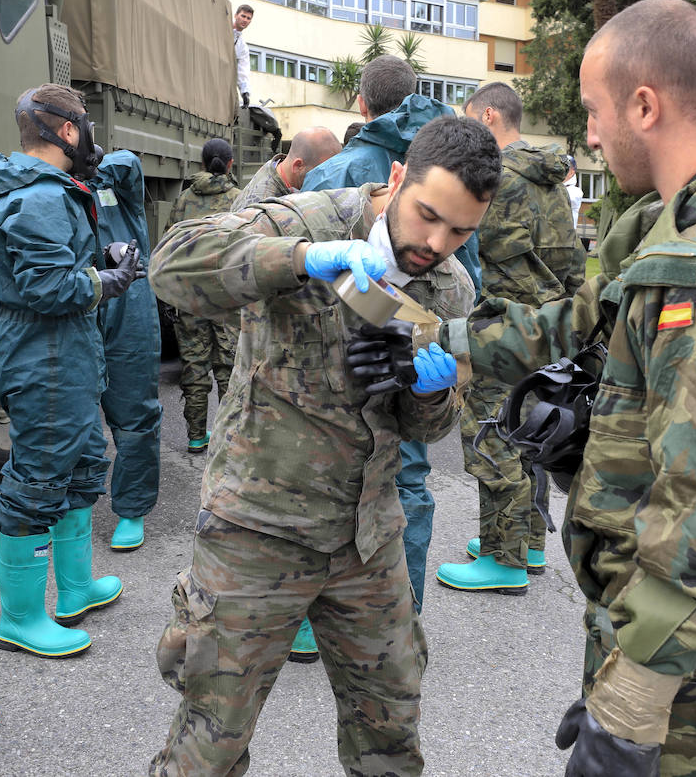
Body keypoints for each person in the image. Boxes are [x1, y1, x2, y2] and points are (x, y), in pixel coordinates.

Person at [432, 0, 696, 774]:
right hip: (680, 636)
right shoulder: (691, 227)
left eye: (595, 112)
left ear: (645, 104)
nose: (590, 135)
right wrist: (450, 345)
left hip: (694, 663)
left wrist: (634, 694)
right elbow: (585, 318)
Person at [148, 114, 496, 777]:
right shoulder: (306, 222)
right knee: (208, 745)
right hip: (257, 532)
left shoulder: (450, 289)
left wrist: (425, 389)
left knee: (391, 736)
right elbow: (172, 266)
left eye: (461, 231)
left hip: (366, 541)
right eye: (427, 216)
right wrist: (302, 261)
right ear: (396, 178)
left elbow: (430, 429)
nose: (436, 242)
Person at [0, 83, 145, 660]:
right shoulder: (41, 196)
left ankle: (73, 590)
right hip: (43, 350)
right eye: (85, 124)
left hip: (64, 345)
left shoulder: (46, 191)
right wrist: (105, 281)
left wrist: (99, 264)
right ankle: (20, 617)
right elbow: (47, 287)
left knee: (83, 459)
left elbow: (53, 268)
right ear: (66, 131)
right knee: (41, 471)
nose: (90, 133)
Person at [301, 54, 475, 629]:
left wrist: (436, 376)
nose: (435, 239)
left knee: (311, 486)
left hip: (314, 391)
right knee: (408, 485)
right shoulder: (455, 170)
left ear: (361, 104)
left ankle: (307, 619)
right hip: (400, 374)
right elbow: (459, 281)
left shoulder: (332, 170)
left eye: (453, 230)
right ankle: (403, 616)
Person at [435, 81, 586, 595]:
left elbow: (463, 252)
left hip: (504, 325)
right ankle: (527, 542)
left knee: (489, 435)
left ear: (491, 115)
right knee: (531, 429)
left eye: (471, 118)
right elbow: (571, 262)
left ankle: (504, 559)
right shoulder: (551, 178)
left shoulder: (497, 178)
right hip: (549, 325)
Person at [90, 149, 163, 550]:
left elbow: (130, 164)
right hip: (79, 307)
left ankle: (131, 509)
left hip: (128, 312)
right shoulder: (54, 194)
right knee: (71, 421)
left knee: (135, 416)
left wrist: (86, 165)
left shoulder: (116, 192)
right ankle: (62, 513)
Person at [166, 137, 241, 452]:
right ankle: (227, 440)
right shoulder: (240, 198)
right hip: (226, 297)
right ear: (230, 164)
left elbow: (170, 245)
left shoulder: (184, 199)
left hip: (191, 296)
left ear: (201, 163)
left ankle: (196, 437)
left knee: (194, 367)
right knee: (227, 367)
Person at [234, 125, 342, 209]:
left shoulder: (278, 168)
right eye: (322, 173)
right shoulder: (262, 204)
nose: (329, 180)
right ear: (298, 166)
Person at [233, 4, 253, 108]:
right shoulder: (222, 30)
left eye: (248, 18)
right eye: (243, 16)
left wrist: (245, 92)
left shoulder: (243, 47)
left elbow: (243, 70)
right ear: (235, 15)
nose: (245, 20)